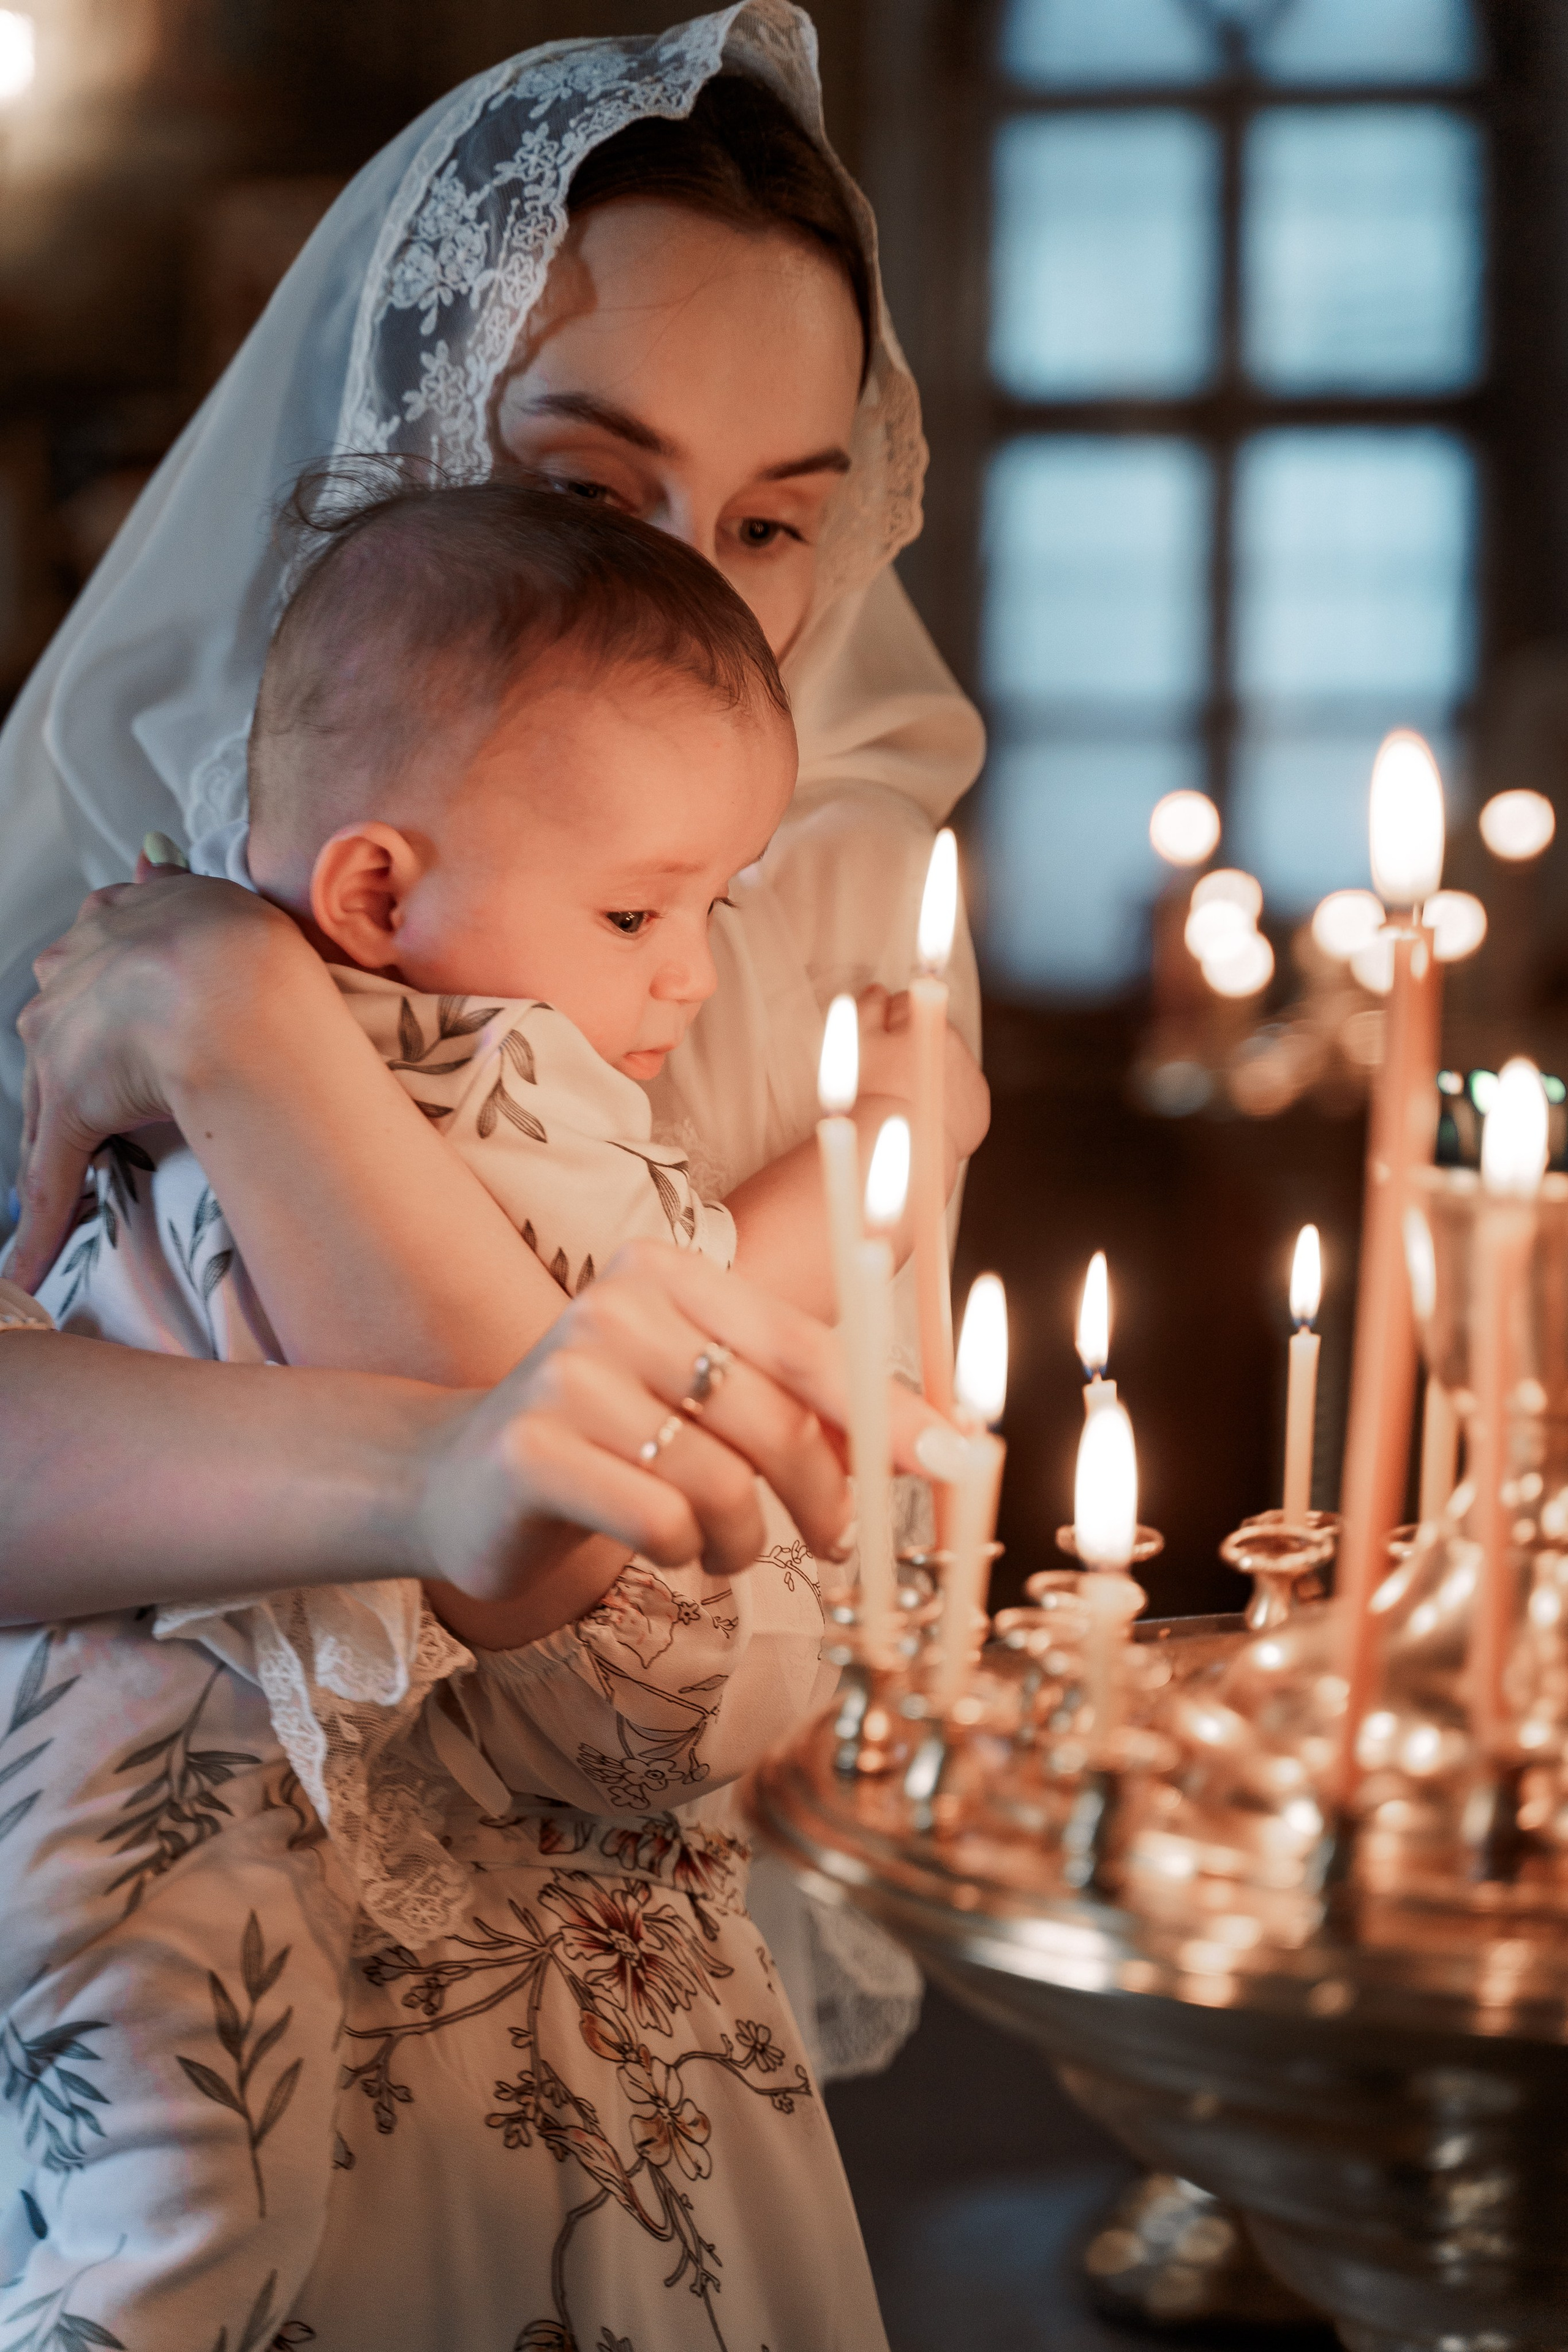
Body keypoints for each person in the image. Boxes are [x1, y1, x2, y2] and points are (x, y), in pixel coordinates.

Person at [0, 7, 987, 2343]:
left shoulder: (830, 953)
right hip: (143, 2023)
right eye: (585, 489)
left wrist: (263, 1060)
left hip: (621, 2120)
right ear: (406, 444)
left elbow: (650, 1668)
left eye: (772, 520)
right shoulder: (112, 899)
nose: (705, 603)